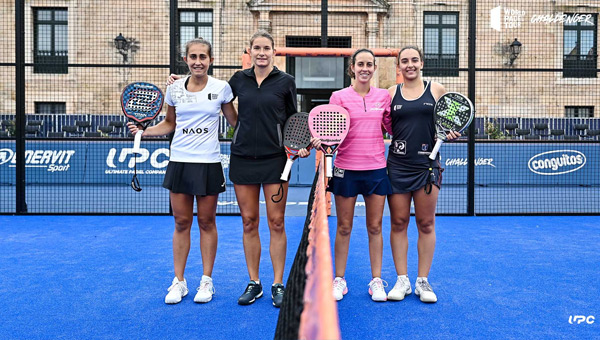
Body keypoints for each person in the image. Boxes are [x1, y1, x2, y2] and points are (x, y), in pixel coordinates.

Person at [128, 37, 237, 304]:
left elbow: (236, 123)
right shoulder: (175, 89)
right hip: (180, 162)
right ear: (186, 60)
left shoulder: (222, 88)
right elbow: (169, 123)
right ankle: (179, 282)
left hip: (209, 164)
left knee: (207, 222)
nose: (198, 61)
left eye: (203, 57)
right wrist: (144, 131)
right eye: (193, 57)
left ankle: (206, 281)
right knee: (181, 223)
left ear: (210, 60)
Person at [314, 48, 392, 302]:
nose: (365, 69)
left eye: (369, 64)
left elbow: (393, 127)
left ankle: (376, 280)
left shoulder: (383, 97)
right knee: (344, 226)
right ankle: (339, 279)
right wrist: (320, 140)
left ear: (374, 68)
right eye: (360, 64)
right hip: (346, 168)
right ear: (352, 68)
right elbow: (329, 129)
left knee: (375, 226)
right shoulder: (338, 97)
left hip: (377, 169)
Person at [383, 46, 460, 303]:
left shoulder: (436, 90)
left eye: (414, 60)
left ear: (422, 63)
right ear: (398, 66)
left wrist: (451, 133)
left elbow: (452, 120)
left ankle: (422, 281)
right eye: (404, 61)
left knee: (426, 223)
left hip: (428, 166)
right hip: (397, 166)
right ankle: (402, 280)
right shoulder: (391, 93)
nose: (409, 65)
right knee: (398, 222)